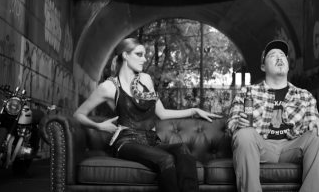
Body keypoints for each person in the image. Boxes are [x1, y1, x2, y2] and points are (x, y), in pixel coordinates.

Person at [74, 38, 221, 192]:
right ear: (125, 55)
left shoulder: (146, 79)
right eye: (139, 54)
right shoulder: (108, 87)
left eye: (144, 54)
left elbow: (162, 113)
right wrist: (98, 125)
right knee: (166, 159)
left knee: (183, 151)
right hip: (126, 142)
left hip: (152, 141)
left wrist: (194, 111)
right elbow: (79, 115)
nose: (144, 59)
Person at [227, 40, 319, 192]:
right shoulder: (247, 93)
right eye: (272, 55)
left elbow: (312, 122)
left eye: (282, 55)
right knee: (244, 134)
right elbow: (231, 125)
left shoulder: (304, 95)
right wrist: (238, 124)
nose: (279, 58)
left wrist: (317, 123)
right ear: (263, 66)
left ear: (288, 65)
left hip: (293, 147)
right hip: (262, 145)